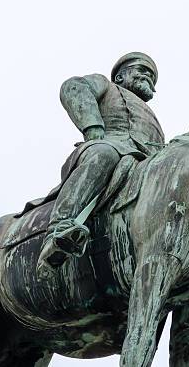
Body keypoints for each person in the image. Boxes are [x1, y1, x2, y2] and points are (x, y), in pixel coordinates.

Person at [32, 52, 165, 277]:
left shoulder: (155, 120)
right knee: (104, 156)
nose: (147, 78)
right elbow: (74, 87)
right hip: (110, 145)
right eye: (141, 70)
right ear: (121, 77)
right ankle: (60, 228)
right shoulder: (107, 85)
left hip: (144, 161)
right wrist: (93, 127)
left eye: (151, 76)